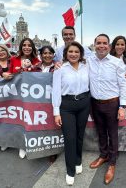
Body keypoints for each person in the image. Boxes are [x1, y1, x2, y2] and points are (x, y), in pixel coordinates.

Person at [88, 34, 126, 185]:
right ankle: (103, 155)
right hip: (94, 103)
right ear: (94, 45)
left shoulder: (117, 62)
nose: (102, 46)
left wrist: (122, 107)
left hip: (112, 103)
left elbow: (123, 85)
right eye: (99, 43)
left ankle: (112, 163)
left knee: (112, 133)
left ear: (109, 46)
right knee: (100, 131)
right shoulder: (89, 60)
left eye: (105, 43)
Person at [52, 41, 90, 185]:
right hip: (66, 106)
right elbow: (55, 91)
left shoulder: (86, 67)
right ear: (65, 54)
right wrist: (56, 112)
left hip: (84, 103)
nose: (73, 54)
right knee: (70, 138)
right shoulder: (60, 69)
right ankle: (70, 170)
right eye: (70, 52)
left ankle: (78, 160)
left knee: (80, 135)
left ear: (81, 54)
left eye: (76, 52)